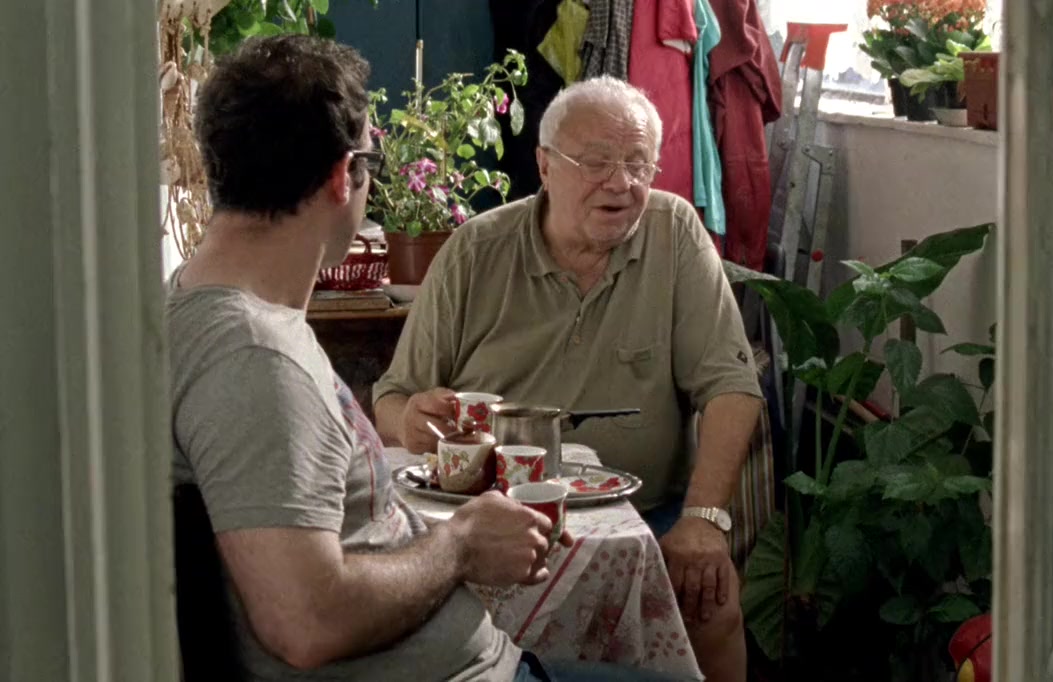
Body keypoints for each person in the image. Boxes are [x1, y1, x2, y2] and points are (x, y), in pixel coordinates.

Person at [169, 35, 671, 682]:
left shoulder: (195, 307)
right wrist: (461, 544)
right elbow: (304, 622)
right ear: (343, 175)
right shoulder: (257, 360)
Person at [372, 76, 764, 681]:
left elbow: (731, 385)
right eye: (597, 162)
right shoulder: (476, 250)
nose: (621, 183)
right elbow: (393, 399)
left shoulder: (674, 232)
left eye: (638, 164)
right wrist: (412, 420)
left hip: (644, 516)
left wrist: (704, 519)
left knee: (712, 602)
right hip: (489, 522)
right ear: (545, 166)